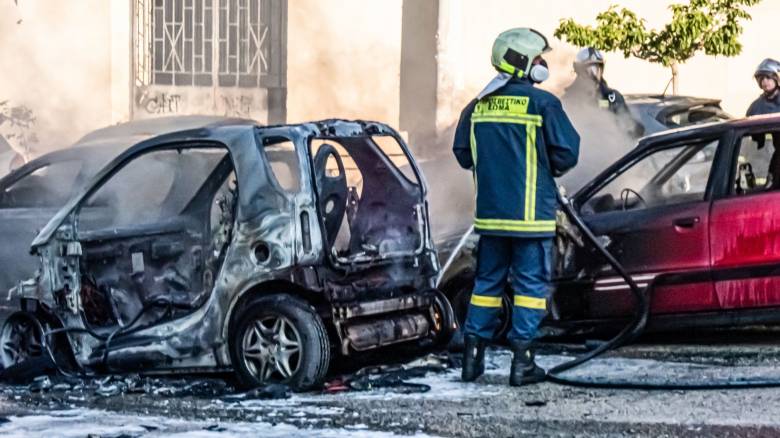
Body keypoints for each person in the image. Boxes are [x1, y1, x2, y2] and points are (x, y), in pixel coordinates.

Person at [452, 28, 580, 386]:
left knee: (486, 285)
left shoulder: (477, 106)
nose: (543, 65)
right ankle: (522, 363)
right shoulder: (543, 104)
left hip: (491, 218)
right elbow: (567, 153)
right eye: (539, 59)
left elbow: (463, 155)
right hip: (531, 219)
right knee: (529, 289)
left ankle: (471, 361)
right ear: (520, 61)